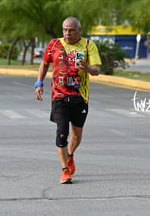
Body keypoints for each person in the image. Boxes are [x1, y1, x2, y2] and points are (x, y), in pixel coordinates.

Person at [34, 16, 102, 184]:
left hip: (80, 97)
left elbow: (97, 70)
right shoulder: (54, 44)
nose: (67, 33)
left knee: (76, 136)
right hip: (59, 96)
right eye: (65, 30)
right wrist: (39, 83)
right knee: (62, 132)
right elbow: (44, 64)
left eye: (71, 30)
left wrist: (86, 68)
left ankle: (70, 155)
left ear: (79, 30)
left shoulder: (88, 45)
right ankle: (65, 170)